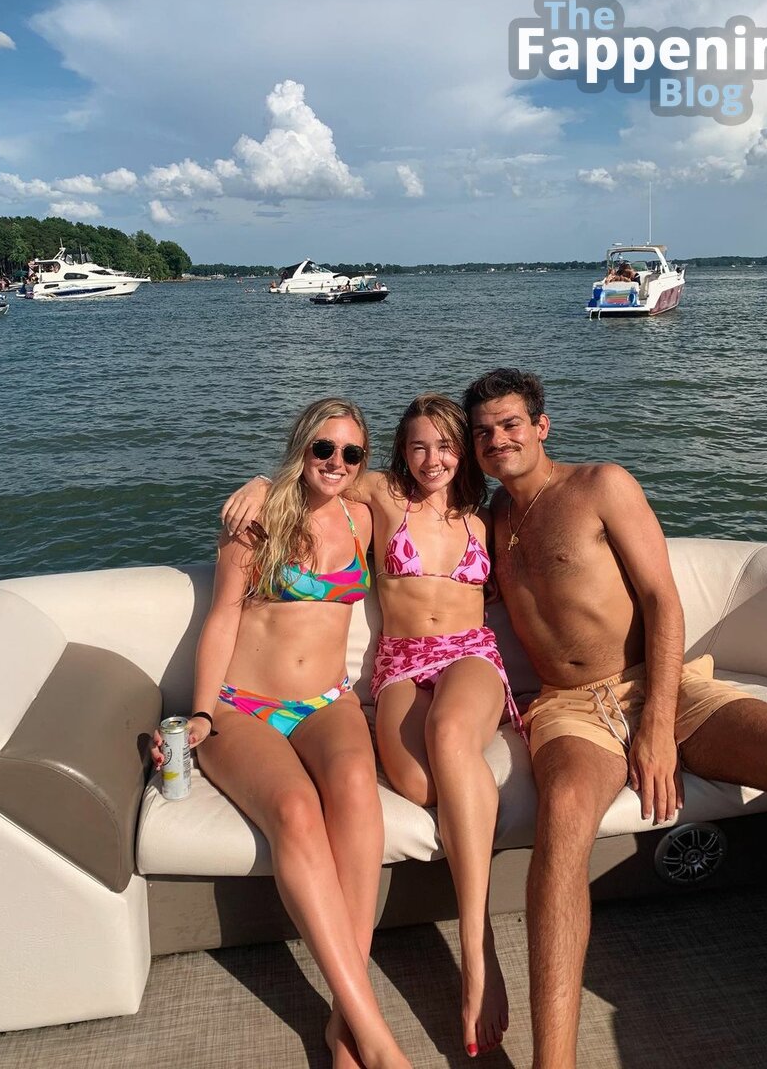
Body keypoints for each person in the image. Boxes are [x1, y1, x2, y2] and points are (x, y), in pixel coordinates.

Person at [462, 367, 767, 1069]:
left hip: (663, 684)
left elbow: (664, 601)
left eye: (511, 425)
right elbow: (385, 494)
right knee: (564, 816)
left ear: (542, 426)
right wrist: (267, 489)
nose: (497, 440)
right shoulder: (489, 521)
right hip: (568, 706)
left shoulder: (601, 486)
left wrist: (658, 726)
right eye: (483, 432)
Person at [223, 394, 523, 1058]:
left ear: (463, 450)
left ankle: (478, 950)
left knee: (450, 738)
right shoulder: (385, 497)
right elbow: (319, 472)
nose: (432, 459)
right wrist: (259, 482)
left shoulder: (486, 516)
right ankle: (358, 1007)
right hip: (401, 661)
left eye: (445, 445)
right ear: (401, 452)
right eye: (418, 446)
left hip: (469, 653)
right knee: (419, 785)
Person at [155, 398, 410, 1069]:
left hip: (327, 702)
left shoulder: (362, 517)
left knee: (356, 788)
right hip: (244, 705)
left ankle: (345, 1020)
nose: (336, 462)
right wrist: (202, 714)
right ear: (303, 447)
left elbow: (421, 481)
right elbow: (222, 619)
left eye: (351, 452)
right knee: (296, 810)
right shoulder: (257, 521)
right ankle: (375, 1038)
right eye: (323, 447)